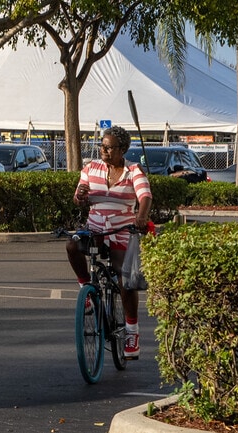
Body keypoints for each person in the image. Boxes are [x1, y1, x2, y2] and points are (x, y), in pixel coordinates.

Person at [66, 125, 153, 359]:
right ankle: (85, 288)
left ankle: (132, 331)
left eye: (109, 147)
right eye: (102, 146)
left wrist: (141, 216)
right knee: (72, 245)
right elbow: (79, 199)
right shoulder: (90, 169)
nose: (104, 151)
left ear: (122, 149)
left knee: (124, 276)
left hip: (121, 229)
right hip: (94, 228)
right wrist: (80, 196)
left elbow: (145, 196)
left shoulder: (133, 171)